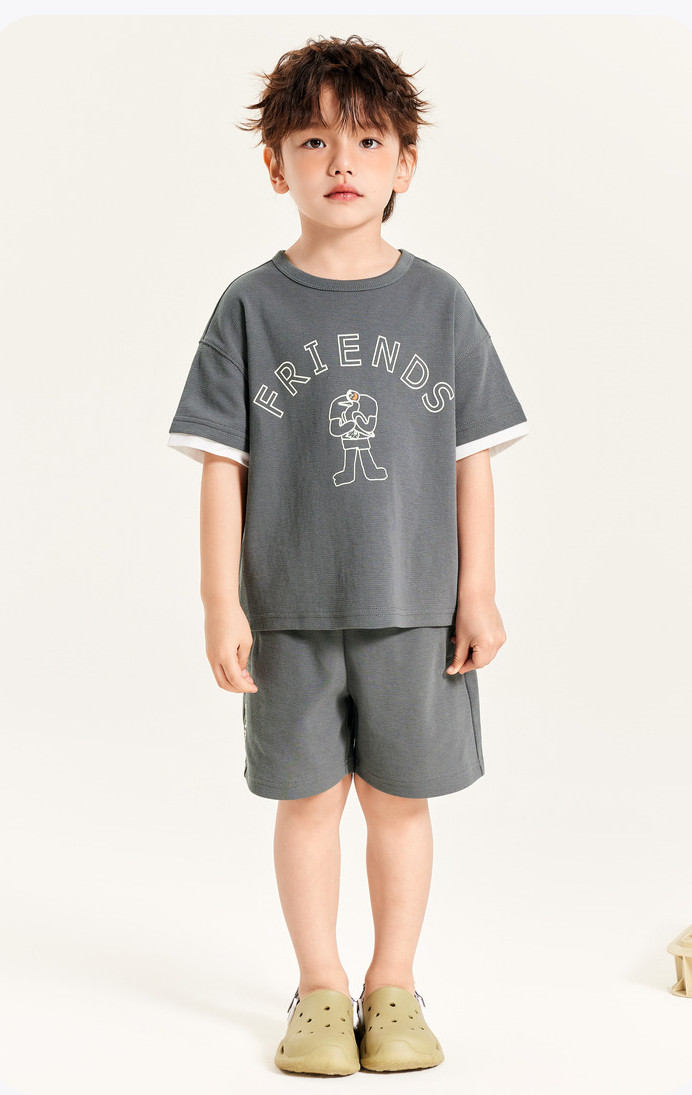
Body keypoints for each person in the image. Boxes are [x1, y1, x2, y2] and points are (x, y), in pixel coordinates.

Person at [167, 34, 528, 1076]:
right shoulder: (250, 305)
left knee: (400, 801)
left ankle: (394, 984)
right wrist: (220, 603)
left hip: (416, 609)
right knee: (308, 801)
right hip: (288, 608)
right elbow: (222, 463)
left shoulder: (440, 301)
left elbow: (470, 458)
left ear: (404, 162)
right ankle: (321, 988)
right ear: (274, 163)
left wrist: (479, 591)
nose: (341, 161)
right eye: (314, 139)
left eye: (367, 140)